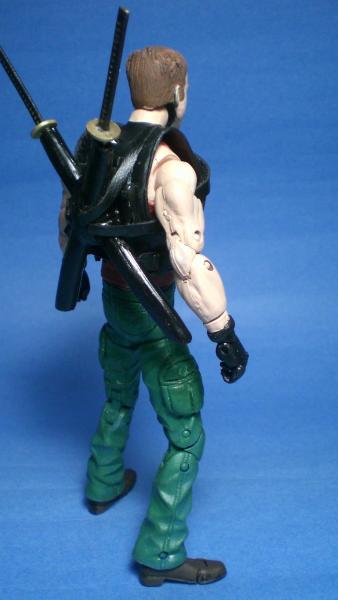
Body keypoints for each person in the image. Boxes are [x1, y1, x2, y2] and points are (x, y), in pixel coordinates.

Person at [59, 46, 248, 587]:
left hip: (113, 302)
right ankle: (161, 554)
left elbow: (69, 221)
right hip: (152, 309)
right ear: (178, 93)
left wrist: (75, 272)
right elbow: (188, 264)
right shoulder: (172, 171)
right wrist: (223, 331)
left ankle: (102, 484)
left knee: (119, 395)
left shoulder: (96, 150)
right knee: (186, 435)